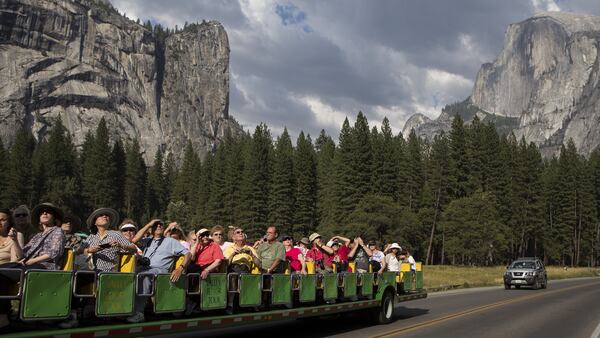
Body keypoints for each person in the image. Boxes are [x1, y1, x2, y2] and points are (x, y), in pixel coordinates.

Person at [0, 203, 66, 328]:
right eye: (42, 212)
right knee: (1, 275)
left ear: (55, 217)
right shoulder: (37, 236)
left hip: (45, 268)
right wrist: (14, 240)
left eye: (48, 212)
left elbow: (54, 252)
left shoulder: (57, 231)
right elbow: (22, 255)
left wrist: (33, 261)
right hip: (31, 267)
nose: (44, 213)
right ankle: (3, 316)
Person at [126, 219, 191, 323]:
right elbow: (134, 240)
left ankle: (139, 313)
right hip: (146, 268)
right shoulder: (147, 240)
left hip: (161, 271)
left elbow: (188, 254)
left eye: (161, 224)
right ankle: (125, 309)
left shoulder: (170, 241)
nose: (159, 226)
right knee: (127, 275)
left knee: (144, 276)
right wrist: (149, 224)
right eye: (156, 225)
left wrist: (180, 268)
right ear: (151, 228)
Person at [80, 208, 136, 272]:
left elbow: (134, 248)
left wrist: (120, 245)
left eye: (106, 215)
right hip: (91, 273)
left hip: (109, 274)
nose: (104, 216)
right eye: (101, 215)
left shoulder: (116, 234)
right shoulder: (91, 237)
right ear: (95, 222)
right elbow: (81, 252)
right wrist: (89, 250)